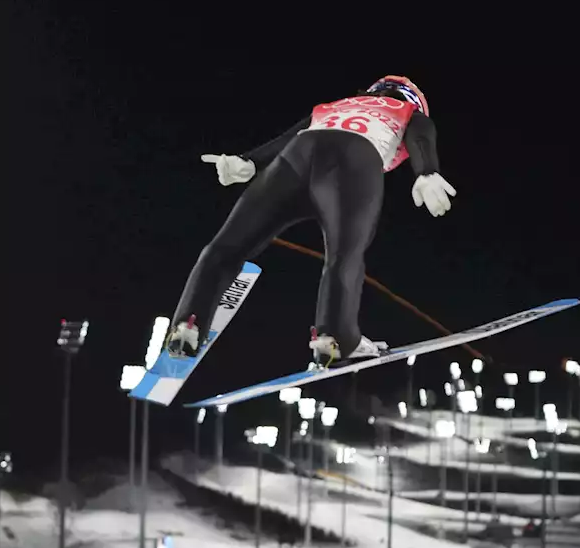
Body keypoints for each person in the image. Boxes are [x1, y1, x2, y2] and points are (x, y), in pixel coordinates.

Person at [164, 75, 456, 368]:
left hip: (295, 158)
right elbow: (420, 135)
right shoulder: (405, 110)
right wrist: (427, 171)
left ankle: (187, 325)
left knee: (228, 246)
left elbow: (291, 136)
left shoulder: (336, 106)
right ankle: (335, 337)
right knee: (344, 256)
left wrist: (249, 161)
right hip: (353, 160)